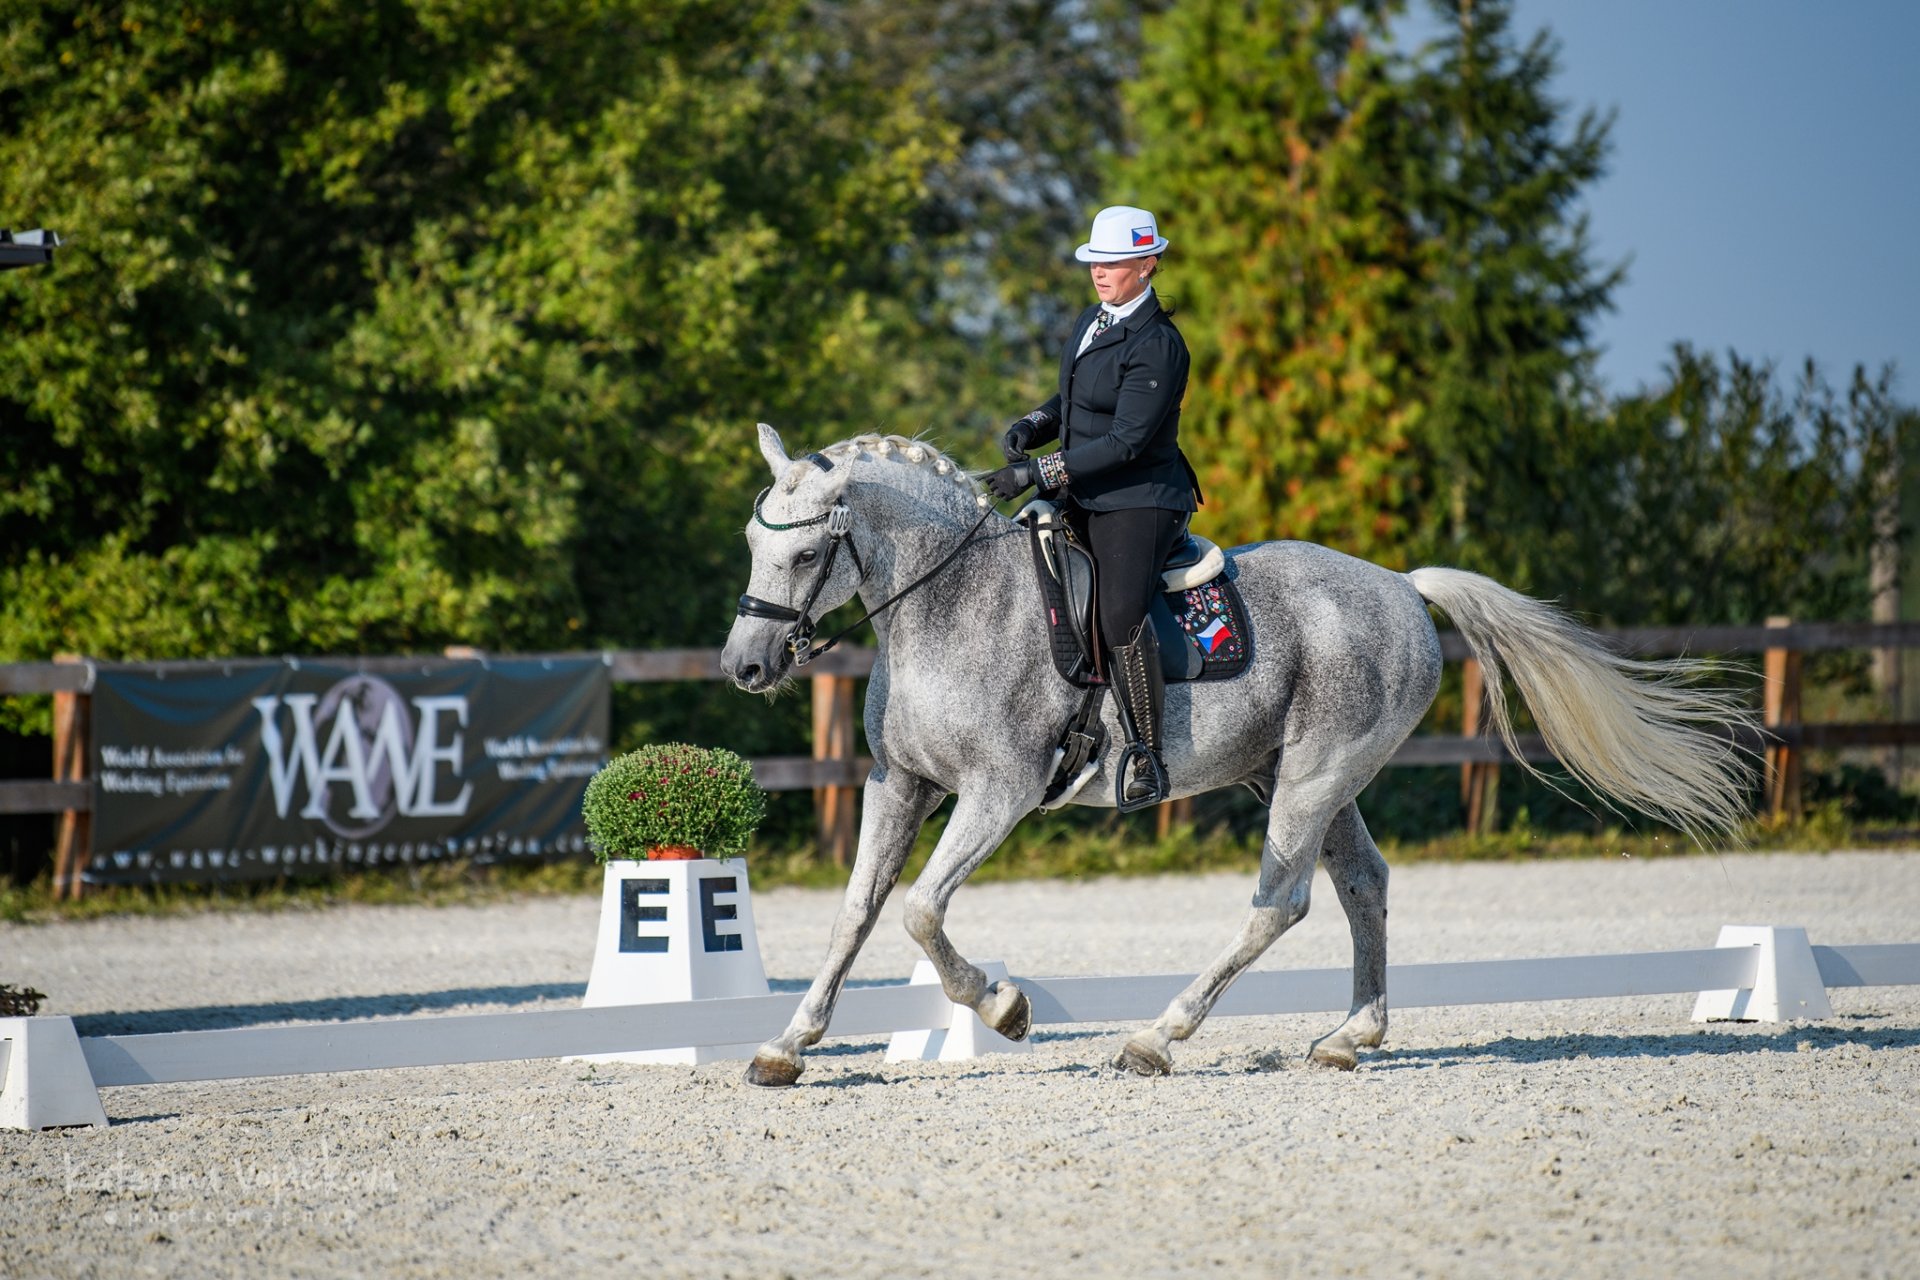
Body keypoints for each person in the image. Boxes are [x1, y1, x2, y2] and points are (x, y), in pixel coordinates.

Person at [985, 204, 1199, 809]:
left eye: (1114, 263)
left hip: (1139, 498)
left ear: (1148, 264)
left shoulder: (1159, 345)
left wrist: (1037, 470)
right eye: (1095, 262)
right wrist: (1034, 423)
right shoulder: (1093, 320)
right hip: (1081, 489)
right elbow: (1074, 397)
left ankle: (1148, 757)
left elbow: (1127, 441)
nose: (1100, 273)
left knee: (1120, 611)